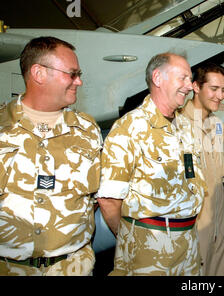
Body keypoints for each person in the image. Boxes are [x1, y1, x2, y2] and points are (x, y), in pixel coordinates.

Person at [96, 52, 207, 276]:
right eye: (183, 78)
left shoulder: (184, 126)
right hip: (149, 248)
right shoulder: (130, 127)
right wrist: (132, 237)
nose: (190, 86)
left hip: (188, 245)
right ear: (158, 78)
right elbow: (108, 199)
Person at [0, 36, 102, 275]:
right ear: (39, 73)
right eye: (72, 74)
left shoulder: (87, 129)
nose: (79, 81)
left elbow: (95, 200)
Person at [178, 63, 224, 275]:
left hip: (219, 220)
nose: (220, 95)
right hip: (194, 224)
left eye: (223, 89)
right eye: (214, 88)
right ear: (196, 87)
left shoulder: (218, 125)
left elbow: (216, 176)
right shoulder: (178, 124)